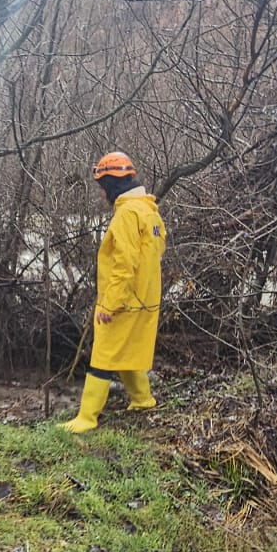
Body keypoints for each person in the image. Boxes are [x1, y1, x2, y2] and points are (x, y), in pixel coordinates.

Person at [62, 151, 167, 434]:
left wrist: (109, 304)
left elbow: (124, 265)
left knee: (103, 355)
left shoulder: (127, 214)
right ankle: (143, 400)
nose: (101, 194)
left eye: (102, 187)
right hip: (145, 298)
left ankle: (87, 417)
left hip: (124, 301)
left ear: (111, 185)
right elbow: (155, 253)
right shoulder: (149, 211)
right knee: (126, 349)